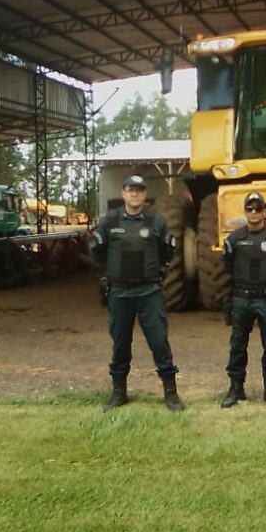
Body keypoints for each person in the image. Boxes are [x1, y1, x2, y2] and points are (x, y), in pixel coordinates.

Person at [90, 174, 184, 412]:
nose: (135, 194)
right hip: (119, 292)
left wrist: (158, 272)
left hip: (148, 291)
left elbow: (167, 250)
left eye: (139, 190)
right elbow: (97, 251)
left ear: (144, 195)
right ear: (123, 193)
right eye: (130, 189)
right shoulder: (109, 221)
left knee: (159, 342)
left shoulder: (156, 220)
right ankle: (118, 393)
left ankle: (171, 394)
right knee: (120, 343)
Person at [220, 190, 266, 407]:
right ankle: (236, 387)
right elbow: (227, 265)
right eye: (250, 208)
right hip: (241, 298)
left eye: (258, 208)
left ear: (265, 211)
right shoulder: (234, 239)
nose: (254, 212)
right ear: (244, 211)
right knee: (237, 344)